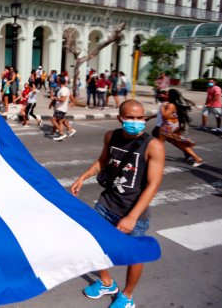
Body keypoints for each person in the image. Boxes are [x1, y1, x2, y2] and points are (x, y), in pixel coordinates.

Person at [70, 99, 165, 308]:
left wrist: (132, 217)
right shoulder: (111, 136)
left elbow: (153, 184)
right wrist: (82, 178)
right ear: (120, 118)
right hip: (107, 203)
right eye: (131, 117)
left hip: (133, 211)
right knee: (97, 244)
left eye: (140, 118)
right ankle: (106, 282)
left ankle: (127, 295)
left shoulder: (153, 146)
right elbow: (103, 161)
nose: (136, 122)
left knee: (134, 254)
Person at [158, 89, 204, 167]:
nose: (166, 95)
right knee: (179, 143)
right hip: (173, 125)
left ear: (171, 96)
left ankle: (156, 159)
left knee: (159, 144)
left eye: (167, 94)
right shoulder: (171, 104)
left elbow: (165, 115)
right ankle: (196, 158)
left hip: (168, 126)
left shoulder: (171, 105)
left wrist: (162, 107)